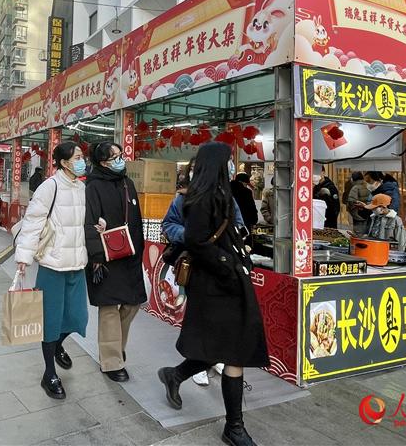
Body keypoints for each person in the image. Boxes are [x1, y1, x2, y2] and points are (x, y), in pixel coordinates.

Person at [158, 142, 268, 446]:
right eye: (229, 161)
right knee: (231, 348)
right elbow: (196, 241)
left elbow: (233, 231)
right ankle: (234, 427)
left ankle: (177, 376)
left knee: (229, 348)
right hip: (214, 284)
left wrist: (239, 254)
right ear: (218, 164)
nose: (233, 166)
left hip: (228, 280)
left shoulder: (222, 194)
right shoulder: (200, 198)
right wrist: (226, 264)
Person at [162, 157, 245, 387]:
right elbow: (168, 225)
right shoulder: (184, 198)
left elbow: (239, 225)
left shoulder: (227, 198)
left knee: (221, 322)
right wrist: (191, 236)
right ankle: (196, 366)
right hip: (197, 268)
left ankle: (196, 366)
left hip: (224, 268)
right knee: (202, 321)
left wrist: (232, 241)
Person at [15, 142, 88, 400]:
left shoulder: (81, 188)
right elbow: (33, 222)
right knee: (50, 321)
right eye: (77, 157)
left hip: (77, 264)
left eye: (82, 156)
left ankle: (57, 346)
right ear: (64, 162)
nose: (82, 161)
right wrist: (24, 257)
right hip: (52, 265)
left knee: (78, 317)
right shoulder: (50, 187)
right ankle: (49, 374)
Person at [84, 141, 147, 383]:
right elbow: (89, 223)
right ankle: (111, 361)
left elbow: (136, 220)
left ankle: (116, 347)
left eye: (121, 155)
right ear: (102, 162)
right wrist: (97, 256)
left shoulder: (127, 183)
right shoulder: (93, 186)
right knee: (109, 307)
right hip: (105, 257)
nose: (121, 160)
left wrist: (139, 250)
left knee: (133, 303)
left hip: (130, 255)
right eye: (115, 157)